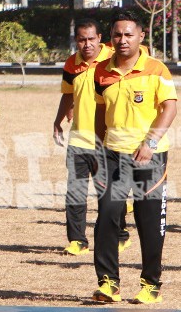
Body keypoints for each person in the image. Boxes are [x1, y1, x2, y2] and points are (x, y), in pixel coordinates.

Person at [91, 11, 178, 305]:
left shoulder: (156, 69)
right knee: (107, 215)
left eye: (129, 34)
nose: (123, 40)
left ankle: (151, 284)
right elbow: (100, 112)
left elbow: (169, 108)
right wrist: (99, 145)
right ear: (111, 38)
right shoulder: (101, 71)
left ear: (141, 37)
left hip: (149, 157)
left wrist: (150, 142)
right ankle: (108, 283)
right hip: (113, 155)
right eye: (117, 35)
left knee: (149, 221)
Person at [53, 19, 129, 256]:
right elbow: (68, 94)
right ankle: (77, 240)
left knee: (108, 195)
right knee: (75, 192)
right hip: (78, 140)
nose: (86, 44)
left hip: (106, 140)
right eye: (81, 40)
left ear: (100, 39)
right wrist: (57, 120)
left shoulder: (112, 60)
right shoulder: (71, 64)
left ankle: (120, 234)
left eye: (91, 39)